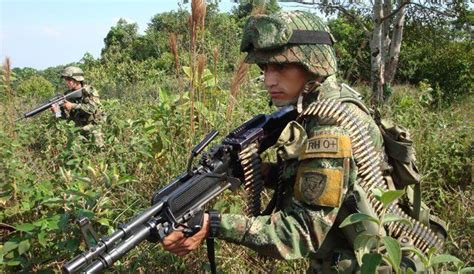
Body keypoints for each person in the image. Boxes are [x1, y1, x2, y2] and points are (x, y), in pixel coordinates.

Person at [162, 11, 444, 272]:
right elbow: (328, 186)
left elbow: (300, 233)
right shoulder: (332, 100)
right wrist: (263, 173)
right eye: (265, 67)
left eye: (281, 67)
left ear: (314, 64)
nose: (268, 79)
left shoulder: (329, 129)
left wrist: (213, 223)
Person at [52, 66, 105, 148]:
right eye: (66, 80)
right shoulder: (67, 94)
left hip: (94, 126)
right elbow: (66, 117)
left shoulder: (89, 91)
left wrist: (72, 105)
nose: (67, 82)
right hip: (79, 128)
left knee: (99, 149)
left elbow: (92, 109)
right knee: (74, 152)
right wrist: (57, 112)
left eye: (69, 80)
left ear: (77, 80)